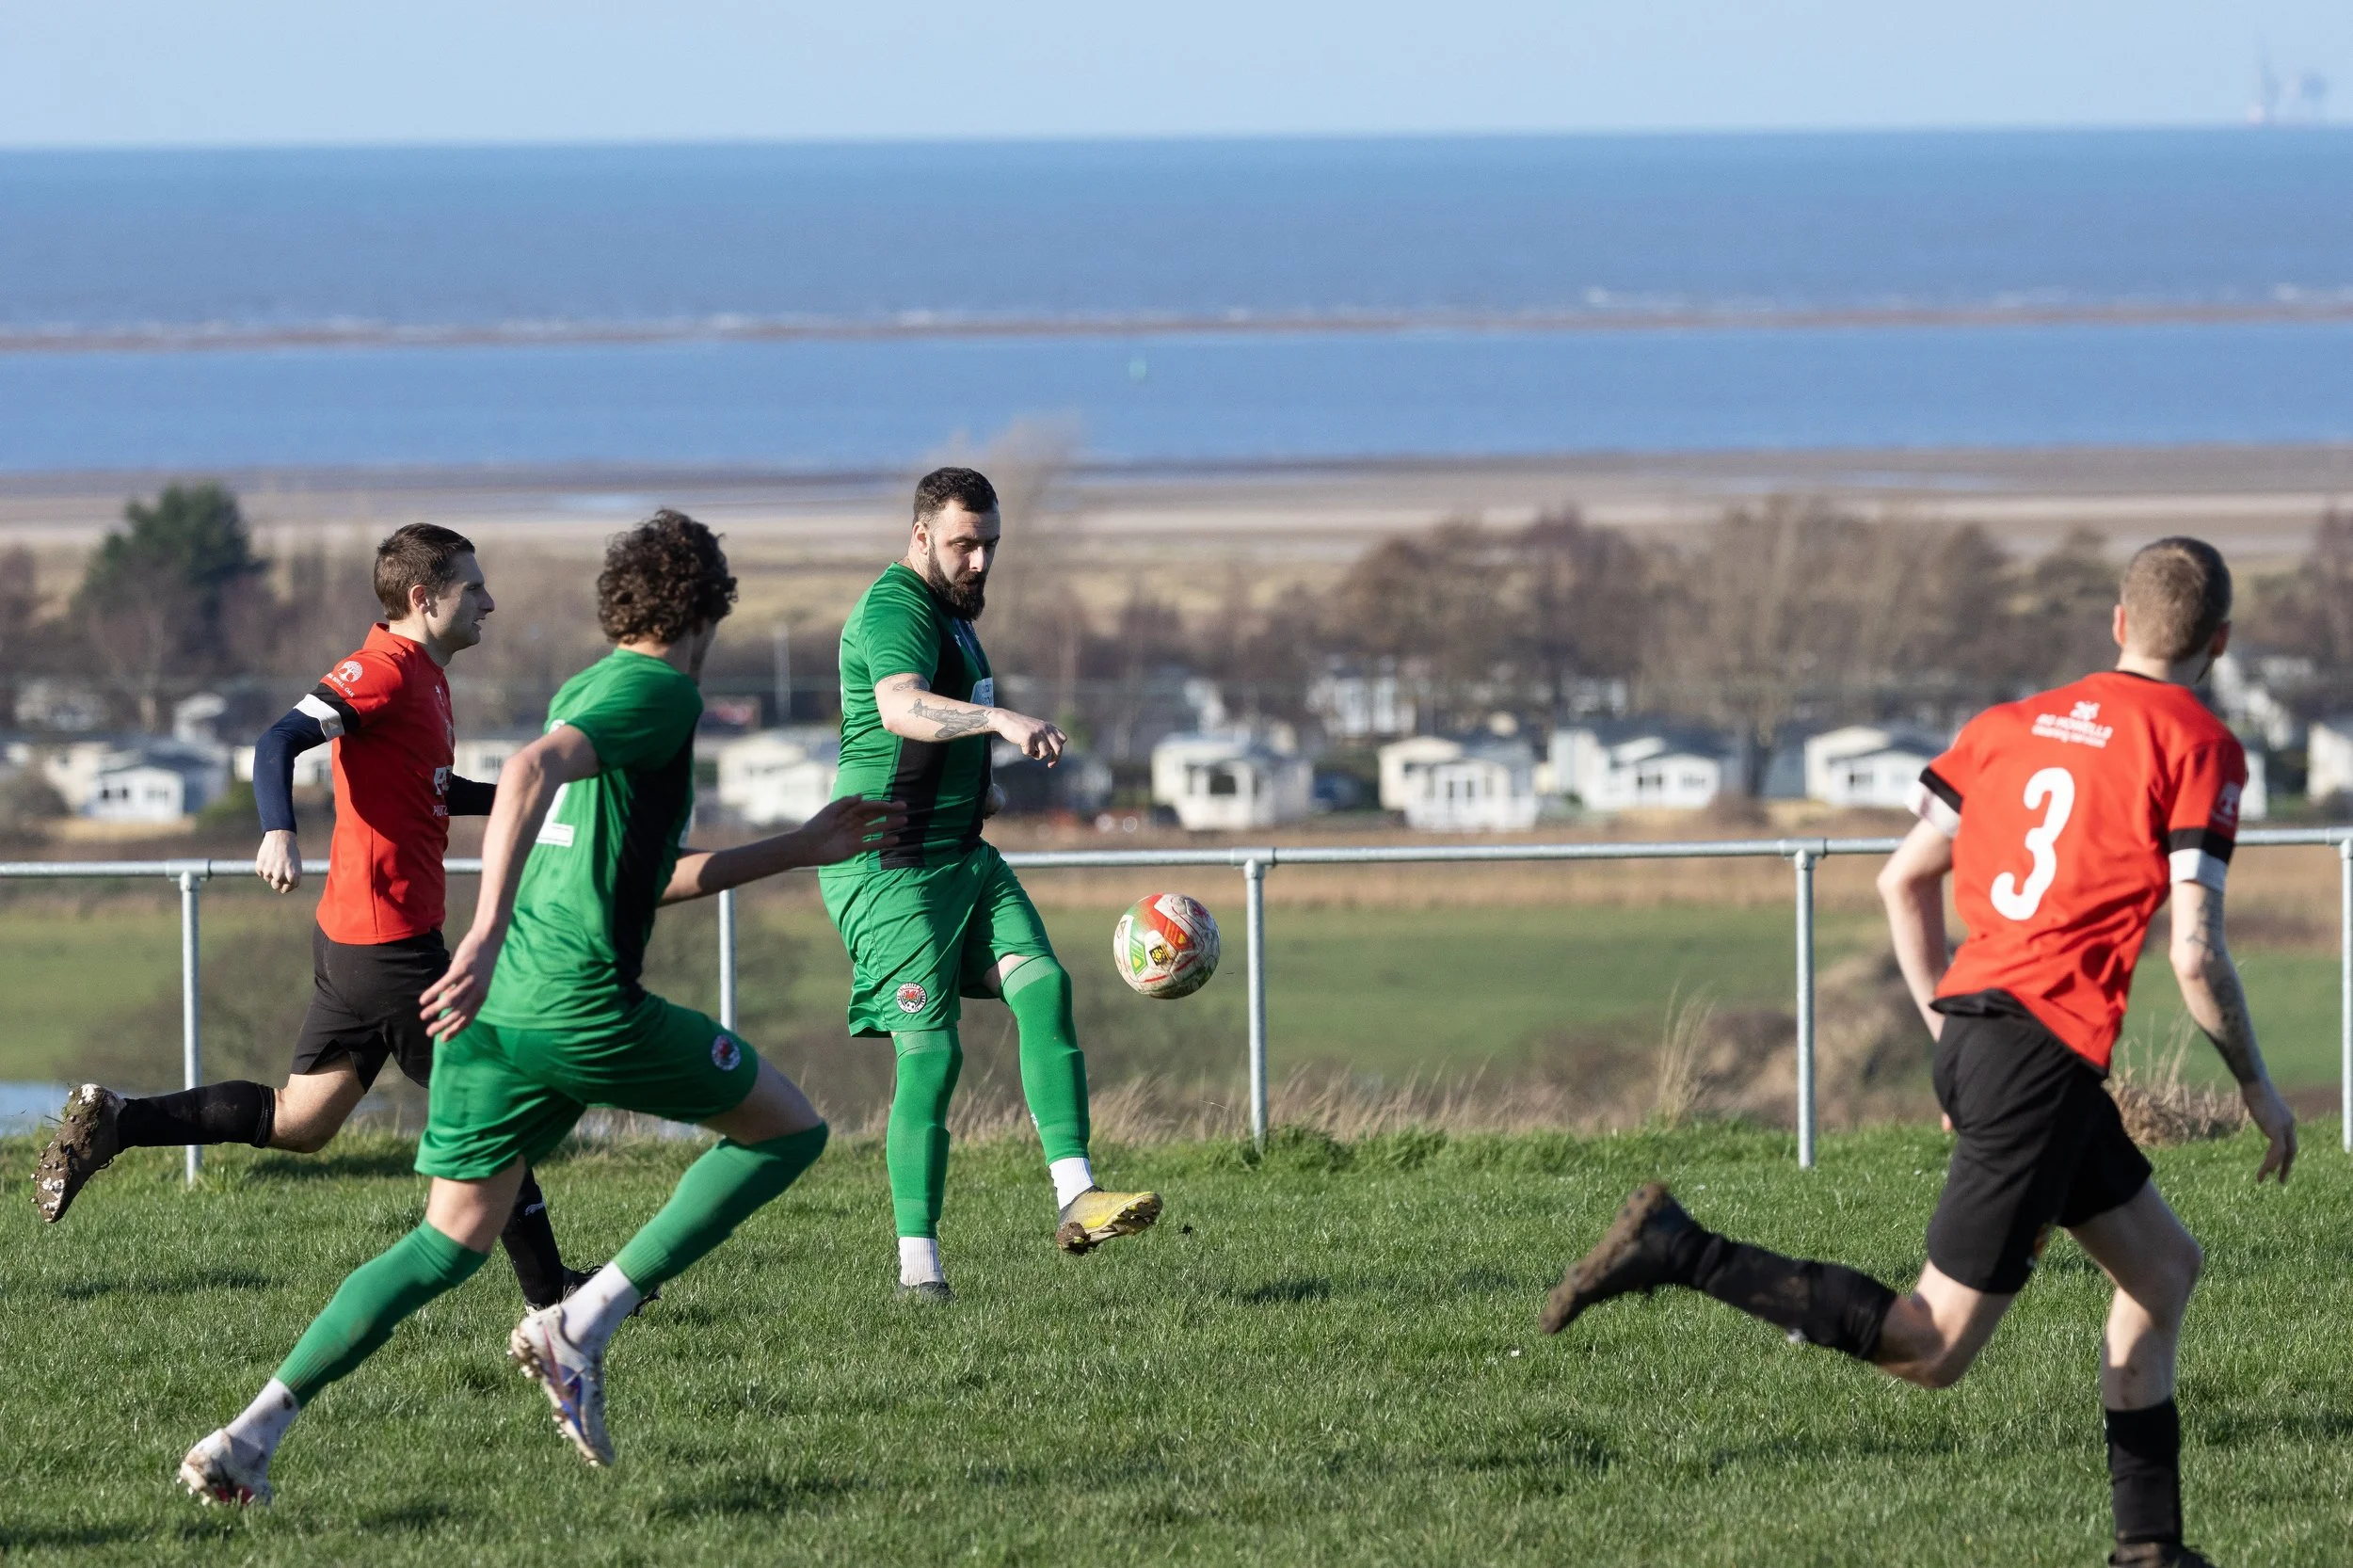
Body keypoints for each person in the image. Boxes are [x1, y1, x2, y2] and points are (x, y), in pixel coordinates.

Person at [1539, 536, 2297, 1568]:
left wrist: (1954, 1036)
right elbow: (2197, 953)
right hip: (2035, 1058)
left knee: (2163, 1270)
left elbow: (1902, 880)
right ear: (2218, 641)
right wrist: (2255, 1084)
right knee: (1929, 1347)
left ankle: (2149, 1549)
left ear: (2116, 626)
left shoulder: (2004, 727)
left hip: (1998, 1041)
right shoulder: (2198, 746)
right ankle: (1679, 1248)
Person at [176, 510, 900, 1505]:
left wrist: (796, 846)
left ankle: (246, 1437)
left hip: (499, 1016)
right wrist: (477, 930)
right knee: (786, 1132)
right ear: (708, 613)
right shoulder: (659, 693)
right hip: (578, 1006)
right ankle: (581, 1319)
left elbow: (639, 874)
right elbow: (526, 772)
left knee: (443, 1243)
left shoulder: (590, 685)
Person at [34, 526, 587, 1309]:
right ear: (424, 600)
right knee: (489, 1109)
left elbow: (430, 789)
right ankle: (552, 1301)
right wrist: (278, 830)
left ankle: (118, 1119)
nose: (490, 601)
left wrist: (532, 797)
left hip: (366, 942)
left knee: (301, 1121)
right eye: (474, 587)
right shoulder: (383, 671)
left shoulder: (427, 676)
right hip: (390, 948)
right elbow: (279, 739)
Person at [822, 465, 1160, 1303]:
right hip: (890, 865)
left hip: (962, 852)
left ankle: (1078, 1196)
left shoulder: (956, 620)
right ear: (921, 537)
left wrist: (982, 785)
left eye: (990, 546)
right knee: (932, 1059)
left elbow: (932, 736)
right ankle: (918, 1270)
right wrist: (1001, 720)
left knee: (1044, 987)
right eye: (964, 544)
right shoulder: (896, 606)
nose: (979, 562)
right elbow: (901, 707)